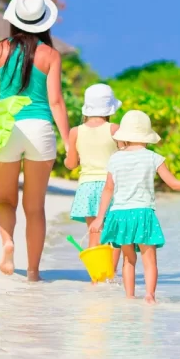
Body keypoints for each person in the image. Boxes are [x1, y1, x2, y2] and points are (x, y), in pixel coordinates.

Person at [0, 0, 70, 283]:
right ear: (44, 22)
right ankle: (33, 273)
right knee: (35, 208)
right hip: (40, 129)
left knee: (5, 201)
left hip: (5, 128)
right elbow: (56, 102)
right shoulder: (50, 55)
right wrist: (70, 143)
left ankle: (8, 242)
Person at [89, 110, 180, 304]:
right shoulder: (153, 157)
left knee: (128, 260)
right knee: (149, 259)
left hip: (119, 215)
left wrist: (99, 217)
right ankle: (149, 296)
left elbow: (108, 189)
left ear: (125, 136)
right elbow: (174, 184)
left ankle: (129, 297)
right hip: (143, 213)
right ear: (147, 135)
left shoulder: (115, 159)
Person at [65, 83, 123, 278]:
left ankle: (97, 277)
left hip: (87, 187)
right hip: (111, 186)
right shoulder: (115, 129)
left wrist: (68, 156)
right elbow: (125, 158)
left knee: (94, 232)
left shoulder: (75, 132)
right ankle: (111, 276)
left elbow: (71, 164)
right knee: (114, 236)